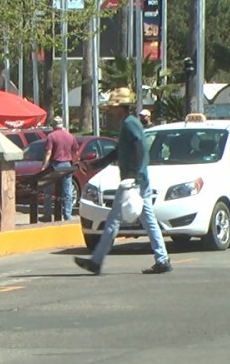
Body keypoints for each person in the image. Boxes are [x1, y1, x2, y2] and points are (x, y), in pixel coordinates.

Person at [74, 87, 172, 275]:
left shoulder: (129, 124)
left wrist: (133, 175)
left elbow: (138, 148)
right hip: (138, 179)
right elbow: (119, 152)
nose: (110, 111)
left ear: (121, 107)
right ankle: (162, 259)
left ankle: (97, 260)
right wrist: (95, 164)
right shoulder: (128, 123)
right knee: (148, 220)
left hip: (133, 181)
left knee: (113, 220)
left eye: (112, 107)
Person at [41, 116, 78, 221]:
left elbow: (48, 152)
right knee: (67, 191)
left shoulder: (51, 136)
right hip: (67, 165)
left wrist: (44, 165)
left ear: (53, 125)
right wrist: (73, 161)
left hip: (55, 165)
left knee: (47, 189)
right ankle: (67, 215)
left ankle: (47, 215)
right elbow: (76, 151)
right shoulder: (70, 136)